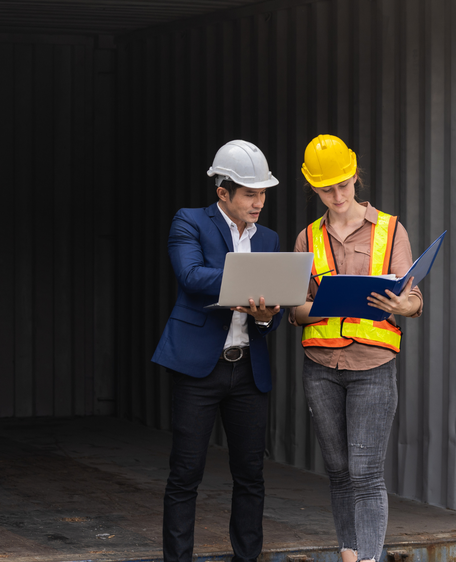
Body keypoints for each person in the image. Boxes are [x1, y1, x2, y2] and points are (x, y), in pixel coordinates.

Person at [290, 134, 423, 562]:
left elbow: (414, 300)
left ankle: (367, 559)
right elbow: (294, 310)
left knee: (366, 473)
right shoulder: (306, 238)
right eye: (327, 188)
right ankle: (350, 554)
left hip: (373, 366)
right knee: (339, 472)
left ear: (355, 177)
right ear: (313, 188)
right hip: (321, 367)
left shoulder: (389, 230)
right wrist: (320, 306)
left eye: (344, 184)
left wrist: (404, 304)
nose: (337, 194)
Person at [151, 140, 285, 562]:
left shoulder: (269, 238)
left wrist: (266, 314)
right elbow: (191, 276)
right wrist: (250, 282)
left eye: (263, 193)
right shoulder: (188, 222)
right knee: (185, 473)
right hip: (198, 371)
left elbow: (273, 313)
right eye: (250, 193)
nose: (258, 202)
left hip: (248, 369)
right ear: (222, 192)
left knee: (251, 476)